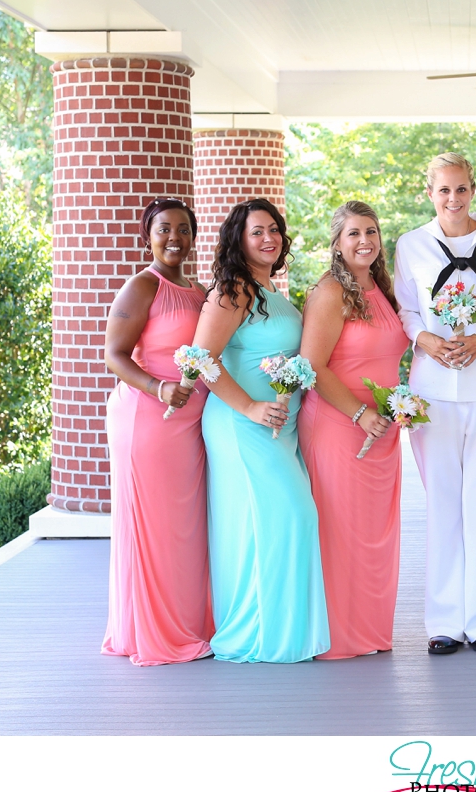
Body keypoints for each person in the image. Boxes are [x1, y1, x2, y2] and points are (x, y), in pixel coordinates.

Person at [393, 153, 476, 655]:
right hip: (433, 392)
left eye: (461, 189)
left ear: (473, 189)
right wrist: (424, 339)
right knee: (444, 505)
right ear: (430, 192)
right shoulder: (411, 245)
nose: (453, 199)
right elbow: (405, 309)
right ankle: (445, 622)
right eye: (443, 190)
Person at [192, 198, 330, 663]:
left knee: (273, 525)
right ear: (238, 238)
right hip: (240, 423)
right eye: (257, 231)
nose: (268, 238)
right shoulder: (232, 289)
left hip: (278, 427)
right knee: (286, 517)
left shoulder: (269, 287)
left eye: (274, 229)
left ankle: (280, 632)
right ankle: (256, 633)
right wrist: (250, 405)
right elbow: (200, 359)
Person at [101, 197, 214, 666]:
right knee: (157, 527)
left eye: (183, 229)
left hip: (191, 423)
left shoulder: (198, 288)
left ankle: (187, 623)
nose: (175, 238)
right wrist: (159, 387)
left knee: (186, 529)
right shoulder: (141, 287)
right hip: (150, 420)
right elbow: (114, 353)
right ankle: (158, 634)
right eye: (164, 228)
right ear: (147, 235)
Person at [298, 201, 409, 659]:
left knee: (374, 533)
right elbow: (311, 365)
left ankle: (370, 631)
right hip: (339, 424)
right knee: (340, 531)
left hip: (383, 428)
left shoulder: (383, 289)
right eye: (353, 234)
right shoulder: (330, 292)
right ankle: (338, 637)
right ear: (337, 243)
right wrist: (359, 414)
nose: (365, 241)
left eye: (371, 232)